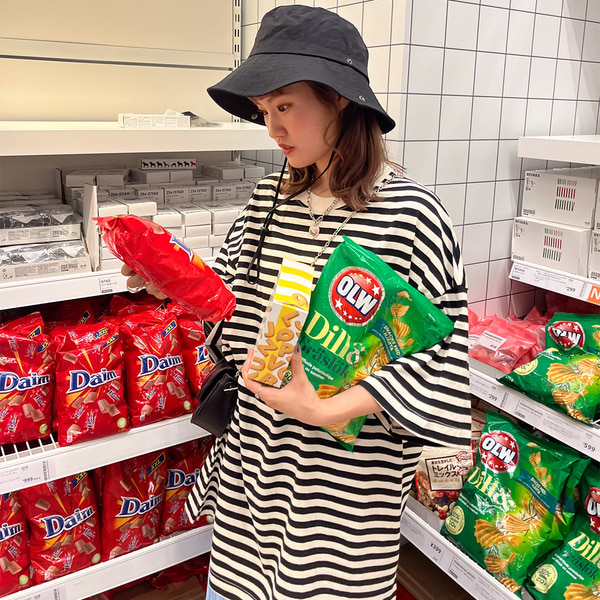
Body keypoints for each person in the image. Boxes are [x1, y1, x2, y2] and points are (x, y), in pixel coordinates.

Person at [124, 6, 471, 600]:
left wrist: (331, 409)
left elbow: (442, 354)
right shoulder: (268, 199)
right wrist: (171, 279)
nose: (272, 128)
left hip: (345, 486)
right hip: (254, 466)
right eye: (264, 111)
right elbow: (230, 301)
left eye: (285, 106)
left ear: (340, 100)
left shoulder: (412, 215)